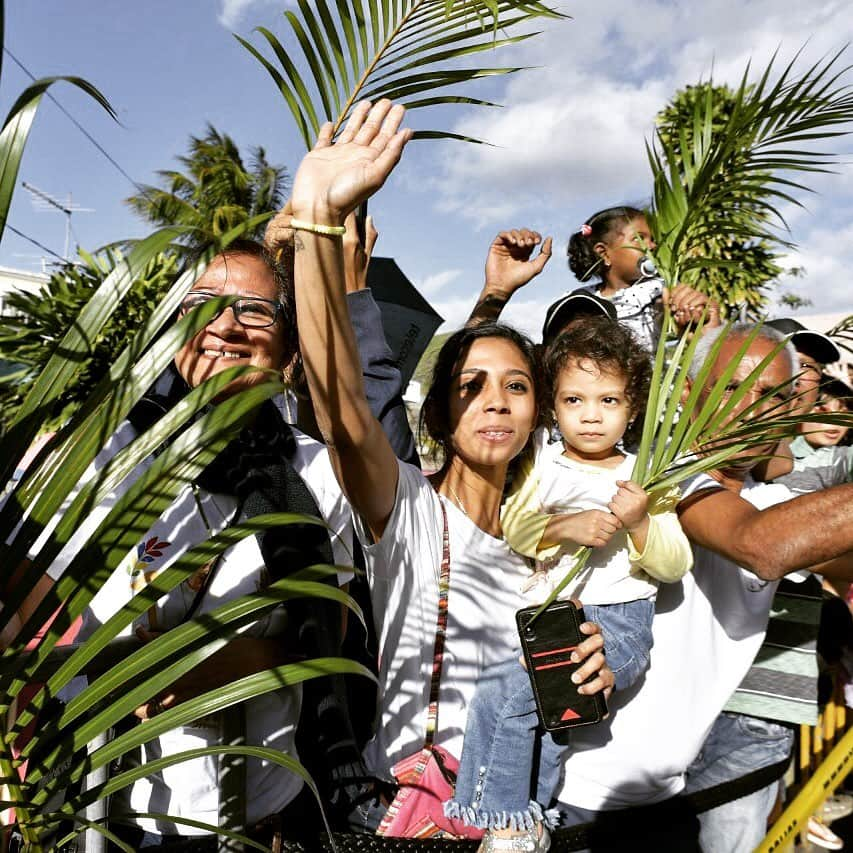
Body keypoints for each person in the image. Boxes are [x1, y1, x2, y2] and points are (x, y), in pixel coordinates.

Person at [286, 98, 613, 835]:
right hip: (418, 823)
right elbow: (341, 402)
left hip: (524, 819)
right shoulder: (406, 509)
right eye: (471, 386)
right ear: (437, 416)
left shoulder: (558, 536)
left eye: (517, 385)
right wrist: (313, 219)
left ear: (539, 414)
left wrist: (598, 665)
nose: (494, 401)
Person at [18, 240, 361, 850]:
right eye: (202, 304)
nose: (225, 325)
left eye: (255, 309)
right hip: (88, 807)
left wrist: (230, 665)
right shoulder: (101, 456)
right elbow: (26, 612)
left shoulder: (316, 475)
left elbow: (327, 624)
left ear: (286, 347)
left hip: (245, 815)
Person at [551, 323, 853, 849]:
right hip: (576, 793)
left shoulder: (770, 501)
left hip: (662, 798)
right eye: (736, 388)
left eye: (772, 396)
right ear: (690, 393)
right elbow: (760, 543)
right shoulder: (663, 480)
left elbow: (821, 551)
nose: (755, 408)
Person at [443, 318, 692, 851]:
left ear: (632, 407)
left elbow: (674, 564)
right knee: (553, 724)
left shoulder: (645, 476)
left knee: (505, 694)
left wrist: (641, 522)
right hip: (550, 615)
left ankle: (502, 821)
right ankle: (534, 817)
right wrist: (564, 526)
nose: (592, 416)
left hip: (618, 624)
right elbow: (517, 527)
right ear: (553, 408)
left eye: (609, 401)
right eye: (575, 400)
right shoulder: (542, 463)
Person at [566, 205, 717, 351]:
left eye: (652, 239)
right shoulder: (583, 301)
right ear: (604, 253)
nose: (652, 246)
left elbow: (666, 308)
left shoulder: (658, 288)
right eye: (638, 238)